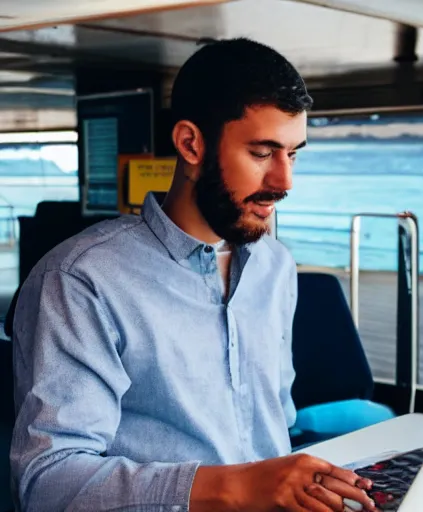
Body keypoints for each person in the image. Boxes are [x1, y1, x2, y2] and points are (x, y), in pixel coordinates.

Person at [10, 38, 378, 512]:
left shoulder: (275, 266)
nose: (285, 182)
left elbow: (273, 429)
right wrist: (239, 489)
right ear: (191, 144)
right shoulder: (82, 281)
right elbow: (48, 483)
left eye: (293, 153)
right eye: (263, 153)